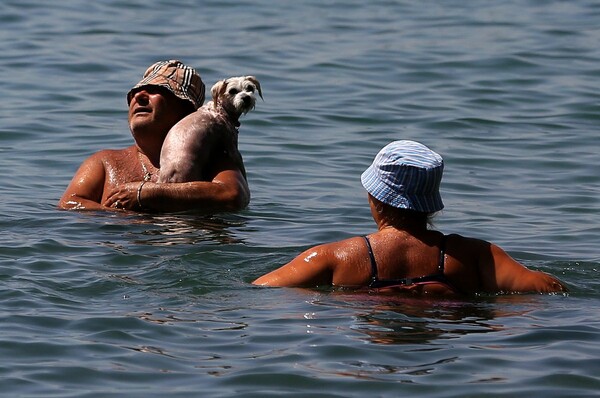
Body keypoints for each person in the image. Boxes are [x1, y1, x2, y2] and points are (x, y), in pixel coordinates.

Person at [253, 140, 567, 295]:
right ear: (431, 203)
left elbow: (259, 293)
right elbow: (551, 290)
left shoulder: (332, 258)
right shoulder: (476, 256)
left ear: (375, 198)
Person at [58, 60, 250, 213]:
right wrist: (124, 220)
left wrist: (147, 193)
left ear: (188, 112)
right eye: (135, 92)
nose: (139, 96)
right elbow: (69, 204)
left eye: (157, 90)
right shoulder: (105, 162)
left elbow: (232, 196)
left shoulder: (213, 160)